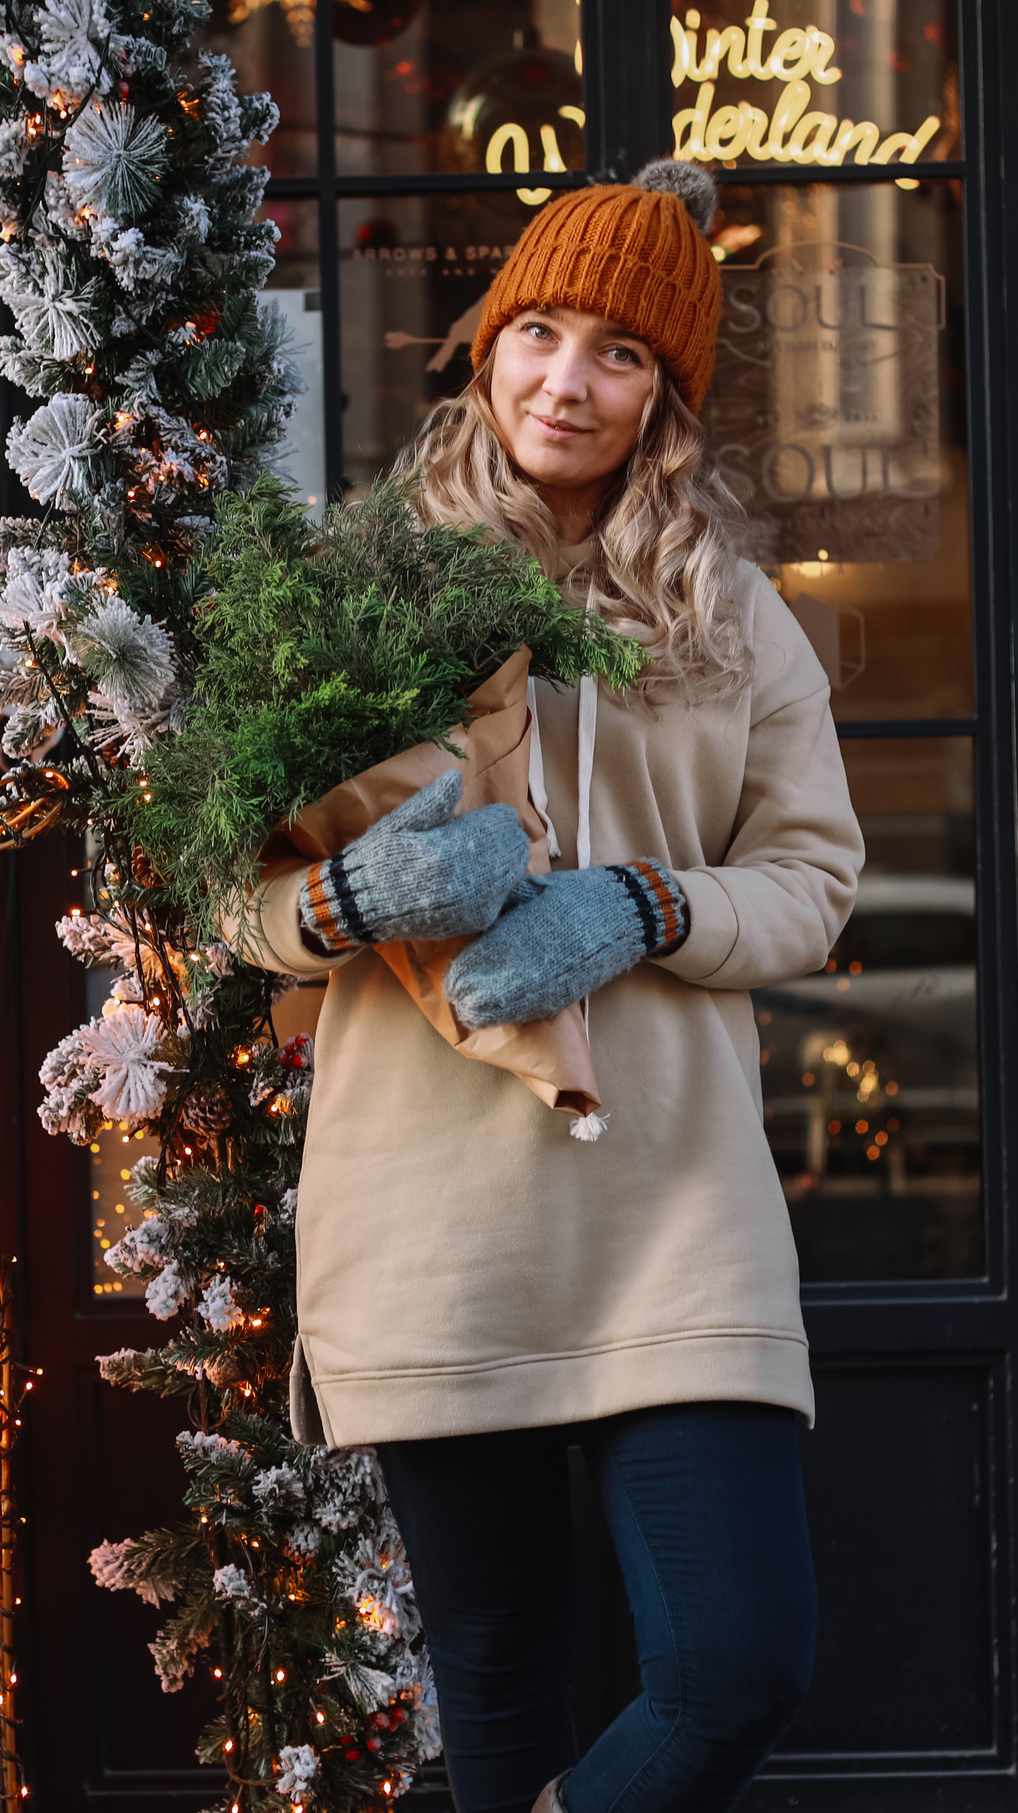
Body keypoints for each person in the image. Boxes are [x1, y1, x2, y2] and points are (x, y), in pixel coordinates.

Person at [239, 159, 863, 1813]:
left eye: (618, 355)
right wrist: (357, 893)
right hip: (438, 1211)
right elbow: (235, 899)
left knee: (742, 1662)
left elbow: (813, 883)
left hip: (677, 1208)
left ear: (667, 395)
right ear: (488, 341)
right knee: (499, 1688)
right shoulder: (359, 586)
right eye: (540, 335)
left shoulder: (732, 616)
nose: (565, 383)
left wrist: (648, 904)